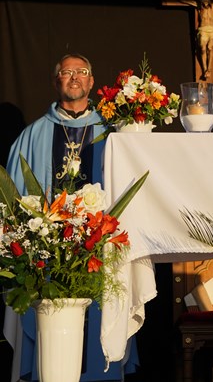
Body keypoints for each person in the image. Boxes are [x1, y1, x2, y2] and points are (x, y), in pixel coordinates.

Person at [5, 53, 138, 381]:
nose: (75, 77)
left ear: (92, 81)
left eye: (82, 72)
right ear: (56, 82)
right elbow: (12, 206)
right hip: (47, 254)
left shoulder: (115, 135)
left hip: (100, 250)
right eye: (67, 72)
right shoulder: (32, 136)